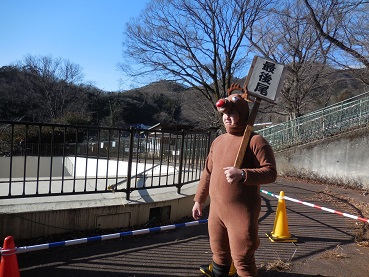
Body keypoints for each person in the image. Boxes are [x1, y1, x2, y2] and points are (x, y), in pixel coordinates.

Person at [192, 84, 277, 277]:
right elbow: (207, 173)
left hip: (241, 211)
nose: (227, 118)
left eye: (232, 113)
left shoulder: (256, 141)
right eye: (225, 114)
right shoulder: (218, 141)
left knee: (242, 259)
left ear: (243, 114)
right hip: (216, 210)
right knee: (219, 255)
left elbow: (271, 172)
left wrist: (244, 174)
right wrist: (199, 200)